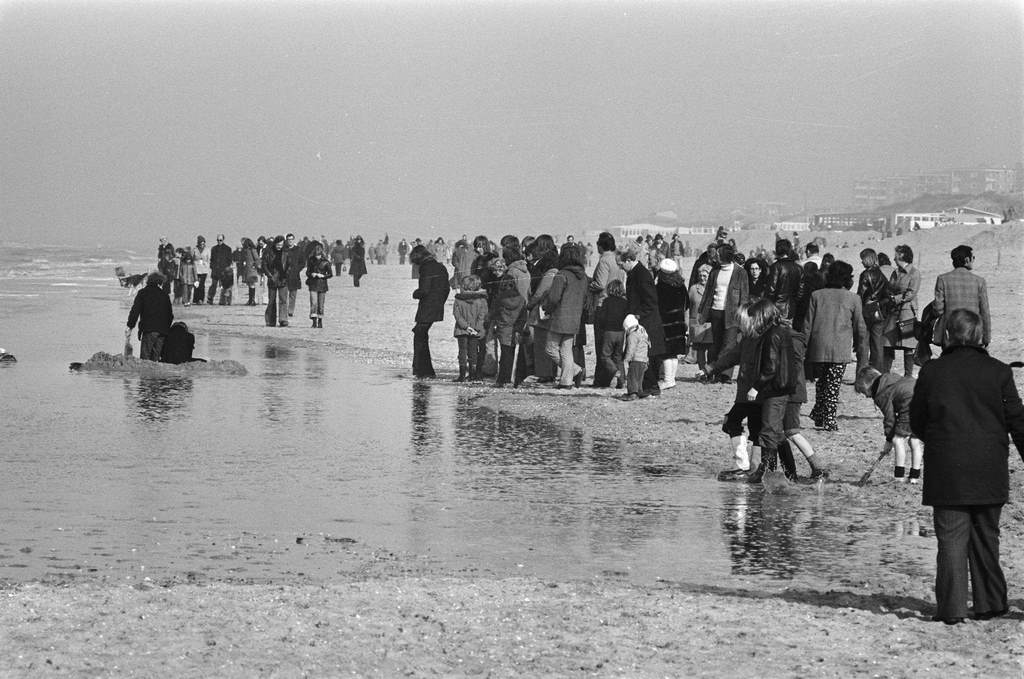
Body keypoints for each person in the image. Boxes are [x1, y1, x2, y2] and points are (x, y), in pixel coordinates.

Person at [909, 309, 1024, 625]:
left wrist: (932, 437)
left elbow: (917, 418)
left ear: (947, 335)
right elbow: (1018, 421)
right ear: (980, 337)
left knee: (951, 540)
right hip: (989, 467)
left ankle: (952, 608)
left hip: (947, 468)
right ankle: (991, 604)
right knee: (987, 536)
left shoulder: (933, 372)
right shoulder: (999, 372)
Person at [805, 260, 869, 431]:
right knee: (833, 383)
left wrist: (804, 346)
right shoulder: (853, 298)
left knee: (822, 381)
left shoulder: (816, 295)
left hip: (818, 346)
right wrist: (860, 344)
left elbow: (807, 325)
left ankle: (819, 414)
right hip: (840, 347)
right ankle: (829, 419)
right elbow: (859, 326)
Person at [855, 366, 922, 482]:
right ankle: (914, 477)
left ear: (868, 385)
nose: (866, 396)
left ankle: (899, 477)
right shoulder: (891, 378)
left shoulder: (882, 394)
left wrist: (889, 440)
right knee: (914, 441)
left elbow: (890, 418)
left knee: (898, 440)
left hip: (909, 405)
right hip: (923, 399)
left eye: (864, 392)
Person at [620, 241, 666, 397]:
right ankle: (645, 388)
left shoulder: (641, 274)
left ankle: (650, 388)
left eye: (621, 264)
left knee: (646, 357)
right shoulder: (635, 273)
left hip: (647, 323)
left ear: (628, 260)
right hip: (642, 322)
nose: (620, 268)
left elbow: (651, 301)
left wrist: (637, 316)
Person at [698, 243, 749, 384]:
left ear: (726, 256)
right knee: (715, 344)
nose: (716, 256)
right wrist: (701, 311)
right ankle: (710, 373)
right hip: (715, 311)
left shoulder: (740, 273)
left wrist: (743, 315)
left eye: (718, 254)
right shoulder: (715, 272)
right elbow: (707, 293)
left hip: (732, 314)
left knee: (729, 345)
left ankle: (725, 374)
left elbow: (744, 296)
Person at [541, 243, 589, 389]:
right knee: (566, 349)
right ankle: (567, 380)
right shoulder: (583, 276)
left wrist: (546, 308)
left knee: (550, 348)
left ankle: (575, 371)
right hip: (575, 317)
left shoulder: (561, 275)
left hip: (560, 316)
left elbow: (554, 298)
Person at [931, 244, 990, 349]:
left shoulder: (943, 279)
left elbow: (938, 310)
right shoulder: (979, 281)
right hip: (973, 334)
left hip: (950, 334)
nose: (973, 260)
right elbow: (985, 312)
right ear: (967, 260)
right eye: (973, 258)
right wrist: (986, 338)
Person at [588, 231, 624, 387]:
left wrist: (590, 285)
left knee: (601, 346)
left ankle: (602, 379)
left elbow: (600, 284)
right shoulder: (617, 260)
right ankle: (618, 378)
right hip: (618, 305)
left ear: (600, 246)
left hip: (603, 305)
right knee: (615, 351)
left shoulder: (604, 261)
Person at [410, 244, 450, 378]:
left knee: (419, 336)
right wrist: (440, 302)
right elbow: (447, 288)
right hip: (437, 305)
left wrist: (415, 293)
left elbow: (424, 290)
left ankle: (421, 369)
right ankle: (423, 368)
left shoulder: (425, 268)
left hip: (427, 307)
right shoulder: (440, 266)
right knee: (421, 334)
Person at [882, 244, 921, 377]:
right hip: (893, 312)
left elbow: (911, 293)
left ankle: (908, 376)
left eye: (896, 254)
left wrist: (896, 298)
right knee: (887, 343)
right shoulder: (895, 272)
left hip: (906, 312)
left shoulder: (914, 273)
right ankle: (885, 374)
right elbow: (889, 287)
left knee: (908, 345)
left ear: (902, 255)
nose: (894, 258)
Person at [655, 258, 687, 390]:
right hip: (679, 321)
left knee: (667, 352)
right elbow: (687, 304)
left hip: (666, 322)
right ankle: (671, 378)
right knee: (674, 352)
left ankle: (668, 380)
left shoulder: (661, 287)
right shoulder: (681, 285)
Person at [126, 272, 174, 361]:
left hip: (149, 329)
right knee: (155, 359)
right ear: (160, 282)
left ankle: (145, 375)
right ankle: (154, 375)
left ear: (148, 281)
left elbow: (135, 311)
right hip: (162, 331)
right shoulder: (164, 295)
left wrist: (130, 325)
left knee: (145, 359)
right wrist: (166, 329)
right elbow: (170, 315)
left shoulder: (143, 293)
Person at [451, 274, 489, 382]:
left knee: (462, 352)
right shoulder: (481, 300)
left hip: (461, 330)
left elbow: (457, 315)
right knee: (473, 352)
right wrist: (476, 328)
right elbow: (483, 315)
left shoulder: (458, 299)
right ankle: (473, 374)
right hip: (476, 331)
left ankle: (462, 375)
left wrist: (465, 326)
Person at [857, 248, 889, 371]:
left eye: (862, 259)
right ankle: (878, 373)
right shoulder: (881, 274)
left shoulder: (865, 275)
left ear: (867, 259)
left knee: (863, 345)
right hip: (879, 313)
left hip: (866, 312)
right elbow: (888, 294)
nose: (861, 262)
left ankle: (862, 373)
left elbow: (860, 295)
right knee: (877, 345)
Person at [594, 279, 628, 390]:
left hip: (609, 332)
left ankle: (614, 371)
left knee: (605, 356)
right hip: (621, 332)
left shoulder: (607, 301)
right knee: (618, 357)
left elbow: (602, 317)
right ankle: (621, 381)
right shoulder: (625, 302)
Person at [766, 239, 801, 320]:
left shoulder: (775, 267)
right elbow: (801, 291)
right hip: (792, 307)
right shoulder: (799, 268)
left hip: (776, 307)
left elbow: (771, 289)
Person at [617, 314, 650, 401]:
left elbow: (631, 348)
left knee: (632, 377)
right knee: (639, 377)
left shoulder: (633, 335)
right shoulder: (642, 331)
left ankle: (632, 393)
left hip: (636, 359)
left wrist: (627, 359)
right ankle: (639, 391)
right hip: (643, 359)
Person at [687, 265, 712, 370]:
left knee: (711, 349)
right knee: (700, 349)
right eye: (701, 276)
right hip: (697, 323)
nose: (702, 278)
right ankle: (702, 371)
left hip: (710, 323)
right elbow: (688, 307)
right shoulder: (693, 289)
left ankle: (710, 371)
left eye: (705, 276)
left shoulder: (713, 289)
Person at [261, 235, 289, 327]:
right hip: (272, 278)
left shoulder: (286, 252)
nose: (279, 246)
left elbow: (290, 265)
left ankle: (283, 319)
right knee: (271, 300)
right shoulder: (268, 252)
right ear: (275, 243)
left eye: (281, 244)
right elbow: (264, 265)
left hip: (283, 279)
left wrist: (286, 274)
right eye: (278, 244)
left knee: (283, 300)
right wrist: (269, 275)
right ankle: (270, 320)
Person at [305, 241, 333, 328]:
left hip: (322, 285)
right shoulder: (311, 260)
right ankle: (314, 321)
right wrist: (311, 274)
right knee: (313, 303)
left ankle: (320, 320)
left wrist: (323, 276)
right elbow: (307, 272)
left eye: (319, 255)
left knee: (321, 304)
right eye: (316, 255)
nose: (317, 257)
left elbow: (330, 274)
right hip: (313, 284)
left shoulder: (326, 262)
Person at [206, 234, 233, 305]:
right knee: (213, 285)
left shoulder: (228, 249)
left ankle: (224, 300)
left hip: (224, 271)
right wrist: (212, 266)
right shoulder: (214, 249)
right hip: (215, 270)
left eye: (220, 240)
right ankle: (210, 298)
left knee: (225, 286)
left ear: (223, 240)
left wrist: (226, 268)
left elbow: (230, 260)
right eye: (217, 240)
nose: (219, 241)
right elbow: (212, 259)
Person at [193, 236, 209, 304]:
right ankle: (195, 299)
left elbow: (209, 259)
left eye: (203, 243)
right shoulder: (194, 250)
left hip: (204, 270)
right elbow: (192, 258)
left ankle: (201, 299)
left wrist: (205, 263)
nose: (202, 245)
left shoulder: (207, 250)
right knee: (196, 284)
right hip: (196, 269)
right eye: (201, 243)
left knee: (202, 285)